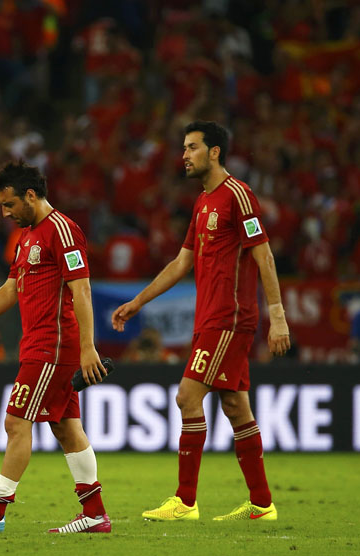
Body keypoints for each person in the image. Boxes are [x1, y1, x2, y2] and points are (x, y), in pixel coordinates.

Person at [111, 121, 291, 522]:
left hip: (229, 318)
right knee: (235, 406)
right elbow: (181, 263)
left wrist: (277, 317)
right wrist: (137, 301)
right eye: (183, 148)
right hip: (210, 317)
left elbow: (264, 256)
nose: (184, 155)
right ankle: (262, 504)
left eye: (192, 147)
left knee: (186, 398)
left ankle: (185, 501)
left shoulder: (238, 196)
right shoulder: (203, 202)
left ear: (214, 153)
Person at [0, 161, 112, 534]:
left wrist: (88, 348)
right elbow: (10, 289)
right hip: (40, 344)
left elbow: (81, 289)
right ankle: (95, 513)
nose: (5, 213)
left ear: (31, 196)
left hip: (52, 346)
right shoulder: (28, 236)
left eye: (9, 205)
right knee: (66, 427)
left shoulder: (63, 230)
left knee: (15, 421)